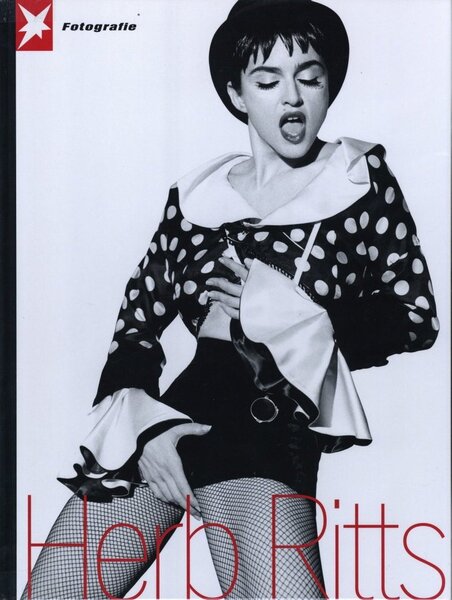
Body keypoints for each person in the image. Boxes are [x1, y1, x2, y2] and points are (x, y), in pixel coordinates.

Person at [22, 0, 439, 598]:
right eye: (267, 82)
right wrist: (147, 430)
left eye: (310, 77)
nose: (292, 97)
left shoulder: (359, 179)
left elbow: (414, 316)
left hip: (267, 426)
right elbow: (136, 323)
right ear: (236, 93)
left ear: (330, 86)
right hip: (173, 422)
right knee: (53, 593)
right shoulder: (197, 195)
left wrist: (280, 310)